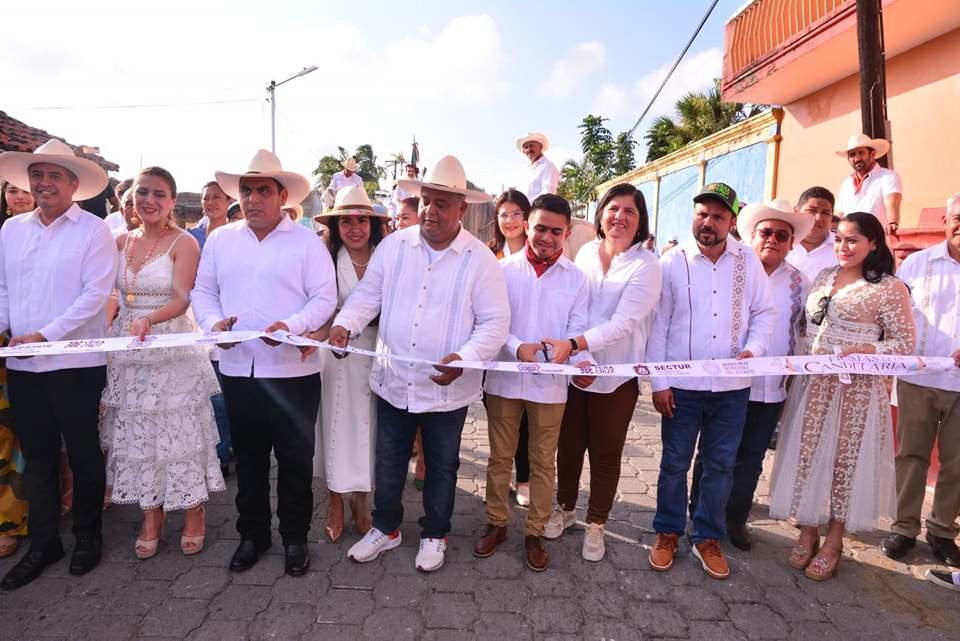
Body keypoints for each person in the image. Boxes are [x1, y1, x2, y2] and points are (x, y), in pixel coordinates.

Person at [332, 155, 509, 572]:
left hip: (448, 388)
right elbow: (367, 296)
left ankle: (434, 534)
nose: (430, 210)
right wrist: (344, 325)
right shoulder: (395, 245)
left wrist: (466, 358)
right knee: (389, 458)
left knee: (443, 465)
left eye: (442, 203)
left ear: (462, 209)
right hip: (394, 379)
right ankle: (387, 528)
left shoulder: (480, 259)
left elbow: (495, 323)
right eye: (426, 200)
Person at [191, 149, 337, 577]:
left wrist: (290, 325)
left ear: (282, 195)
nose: (253, 198)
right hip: (239, 369)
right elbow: (203, 292)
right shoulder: (220, 240)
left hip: (292, 371)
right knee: (250, 460)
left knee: (295, 460)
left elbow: (324, 298)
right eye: (247, 190)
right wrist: (214, 324)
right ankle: (252, 534)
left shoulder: (307, 242)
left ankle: (294, 538)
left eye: (263, 191)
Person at [768, 212, 916, 581]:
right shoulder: (823, 277)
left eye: (852, 240)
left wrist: (866, 350)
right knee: (808, 453)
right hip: (813, 384)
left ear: (874, 244)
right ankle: (807, 528)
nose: (843, 246)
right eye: (839, 239)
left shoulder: (888, 288)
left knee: (841, 462)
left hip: (855, 389)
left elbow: (905, 345)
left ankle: (835, 539)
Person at [0, 139, 118, 589]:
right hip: (24, 365)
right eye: (38, 174)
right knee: (40, 457)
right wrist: (9, 331)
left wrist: (44, 336)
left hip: (75, 362)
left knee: (84, 452)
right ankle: (44, 543)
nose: (44, 182)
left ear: (74, 184)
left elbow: (93, 296)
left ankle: (88, 537)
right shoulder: (11, 231)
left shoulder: (92, 231)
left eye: (54, 176)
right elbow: (4, 290)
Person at [646, 182, 776, 580]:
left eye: (718, 216)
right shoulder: (672, 261)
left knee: (721, 466)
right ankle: (667, 531)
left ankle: (706, 536)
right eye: (702, 213)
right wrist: (658, 382)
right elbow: (658, 325)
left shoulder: (748, 261)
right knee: (674, 464)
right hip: (681, 388)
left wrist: (752, 352)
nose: (708, 222)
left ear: (732, 221)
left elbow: (764, 313)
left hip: (731, 391)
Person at [99, 166, 224, 559]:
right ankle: (150, 514)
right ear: (130, 198)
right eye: (142, 193)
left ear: (172, 201)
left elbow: (183, 298)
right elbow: (111, 294)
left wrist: (149, 319)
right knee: (137, 429)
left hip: (170, 344)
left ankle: (193, 511)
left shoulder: (184, 242)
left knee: (178, 431)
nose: (149, 201)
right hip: (128, 348)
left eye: (158, 194)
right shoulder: (119, 241)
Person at [542, 183, 661, 562]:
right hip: (577, 372)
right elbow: (575, 309)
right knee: (569, 447)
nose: (620, 217)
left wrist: (576, 345)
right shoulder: (588, 253)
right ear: (601, 214)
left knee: (606, 454)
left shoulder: (647, 265)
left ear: (640, 221)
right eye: (613, 208)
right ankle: (566, 508)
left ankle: (596, 524)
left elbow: (624, 323)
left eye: (630, 211)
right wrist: (577, 359)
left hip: (616, 378)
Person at [689, 199, 812, 551]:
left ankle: (735, 517)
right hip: (727, 383)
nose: (773, 239)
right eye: (766, 232)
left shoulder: (801, 283)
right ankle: (697, 512)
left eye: (782, 234)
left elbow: (803, 330)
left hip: (770, 388)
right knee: (714, 453)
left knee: (751, 457)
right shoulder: (731, 267)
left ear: (791, 242)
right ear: (752, 234)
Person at [477, 193, 591, 571]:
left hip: (550, 387)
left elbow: (577, 328)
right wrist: (516, 347)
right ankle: (496, 523)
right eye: (540, 227)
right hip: (504, 380)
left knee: (543, 461)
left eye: (555, 231)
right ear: (527, 225)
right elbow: (490, 321)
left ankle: (535, 531)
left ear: (567, 233)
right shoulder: (502, 270)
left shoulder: (577, 279)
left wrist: (572, 352)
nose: (546, 237)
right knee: (500, 457)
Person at [880, 194, 960, 567]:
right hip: (919, 378)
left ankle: (943, 532)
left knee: (958, 463)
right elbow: (895, 315)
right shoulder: (917, 263)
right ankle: (904, 528)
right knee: (910, 456)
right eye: (957, 217)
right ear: (945, 220)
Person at [310, 186, 388, 543]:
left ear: (372, 224)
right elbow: (320, 305)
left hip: (378, 352)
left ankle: (362, 499)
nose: (354, 228)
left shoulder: (386, 255)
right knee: (337, 425)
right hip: (336, 353)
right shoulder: (326, 258)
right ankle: (335, 500)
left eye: (361, 220)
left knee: (370, 428)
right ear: (335, 225)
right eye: (346, 221)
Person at [486, 189, 533, 506]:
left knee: (529, 423)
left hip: (531, 353)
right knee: (500, 424)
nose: (510, 220)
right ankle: (499, 479)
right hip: (496, 354)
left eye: (517, 213)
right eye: (504, 214)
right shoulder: (489, 256)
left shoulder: (541, 253)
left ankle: (525, 479)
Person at [188, 181, 236, 477]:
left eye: (216, 197)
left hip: (227, 320)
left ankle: (222, 452)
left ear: (229, 200)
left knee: (222, 395)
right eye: (206, 198)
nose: (210, 202)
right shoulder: (191, 236)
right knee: (201, 393)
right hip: (197, 319)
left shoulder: (236, 236)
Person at [835, 133, 902, 236]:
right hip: (850, 244)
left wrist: (892, 222)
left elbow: (893, 202)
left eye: (861, 152)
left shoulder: (888, 176)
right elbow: (839, 215)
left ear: (872, 154)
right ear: (848, 159)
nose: (857, 158)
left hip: (876, 242)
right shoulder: (846, 184)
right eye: (852, 154)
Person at [786, 186, 839, 282]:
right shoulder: (780, 243)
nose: (818, 218)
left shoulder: (842, 249)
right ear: (796, 211)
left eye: (825, 213)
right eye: (812, 211)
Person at [516, 133, 559, 200]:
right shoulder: (524, 170)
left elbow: (548, 193)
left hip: (538, 209)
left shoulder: (548, 166)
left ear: (540, 147)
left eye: (531, 146)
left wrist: (527, 205)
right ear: (524, 151)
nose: (529, 149)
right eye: (526, 147)